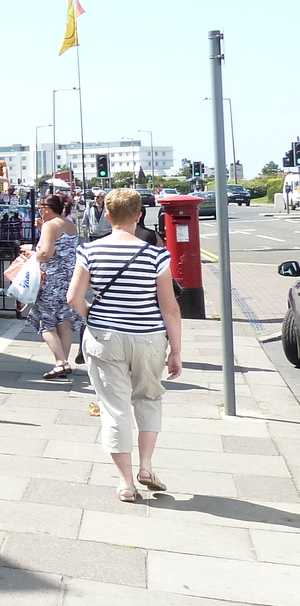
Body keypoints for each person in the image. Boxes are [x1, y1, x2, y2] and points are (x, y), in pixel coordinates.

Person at [66, 188, 182, 503]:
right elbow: (169, 307)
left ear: (107, 216)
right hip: (148, 338)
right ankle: (146, 466)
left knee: (114, 407)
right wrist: (177, 352)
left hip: (104, 338)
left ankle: (126, 482)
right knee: (148, 399)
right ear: (139, 215)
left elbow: (73, 299)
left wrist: (96, 316)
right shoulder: (156, 255)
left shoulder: (89, 251)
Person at [25, 193, 83, 379]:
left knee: (46, 323)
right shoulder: (70, 224)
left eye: (40, 208)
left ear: (46, 208)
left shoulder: (50, 225)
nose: (39, 212)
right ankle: (63, 363)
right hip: (69, 281)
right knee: (64, 322)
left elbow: (46, 253)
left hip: (51, 281)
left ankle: (60, 362)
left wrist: (31, 252)